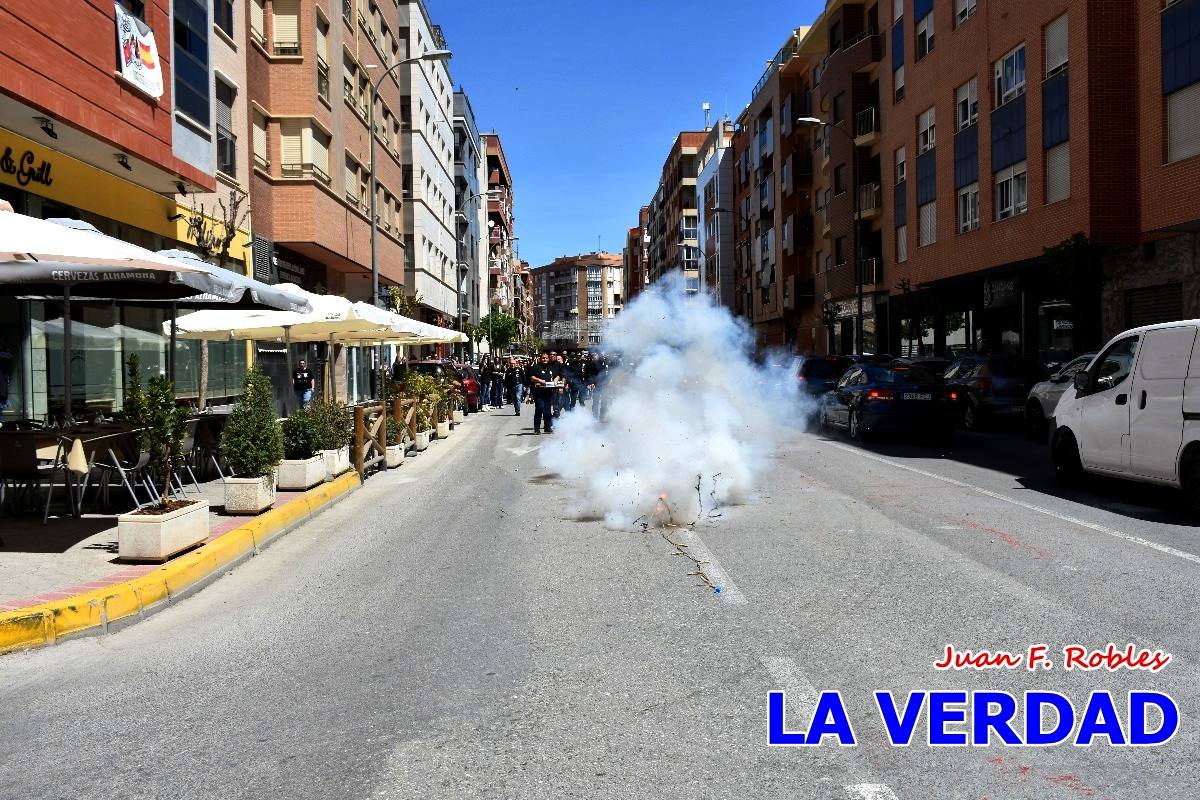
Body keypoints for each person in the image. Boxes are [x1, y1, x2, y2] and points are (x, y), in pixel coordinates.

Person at [529, 351, 562, 434]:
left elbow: (557, 375)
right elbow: (532, 377)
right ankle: (537, 428)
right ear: (540, 359)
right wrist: (539, 380)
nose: (545, 359)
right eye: (543, 358)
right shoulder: (536, 367)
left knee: (547, 411)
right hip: (539, 393)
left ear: (548, 359)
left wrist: (556, 380)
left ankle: (547, 427)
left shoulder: (550, 368)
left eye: (546, 358)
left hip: (548, 393)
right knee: (539, 409)